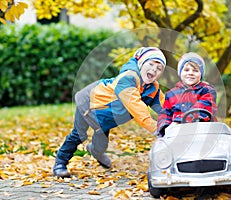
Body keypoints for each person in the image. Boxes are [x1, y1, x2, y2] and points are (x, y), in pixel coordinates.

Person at [53, 47, 166, 178]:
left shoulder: (152, 87)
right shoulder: (128, 79)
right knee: (79, 135)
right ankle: (60, 164)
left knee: (101, 142)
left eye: (159, 68)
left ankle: (96, 151)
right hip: (90, 104)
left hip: (105, 116)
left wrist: (178, 118)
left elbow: (164, 106)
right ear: (141, 63)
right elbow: (137, 108)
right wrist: (156, 129)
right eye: (150, 64)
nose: (153, 70)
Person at [157, 52, 217, 137]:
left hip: (202, 133)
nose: (191, 73)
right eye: (186, 70)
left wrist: (179, 121)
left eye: (195, 70)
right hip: (176, 135)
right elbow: (165, 114)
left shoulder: (207, 90)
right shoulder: (171, 94)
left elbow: (202, 108)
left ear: (201, 74)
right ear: (180, 72)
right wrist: (165, 127)